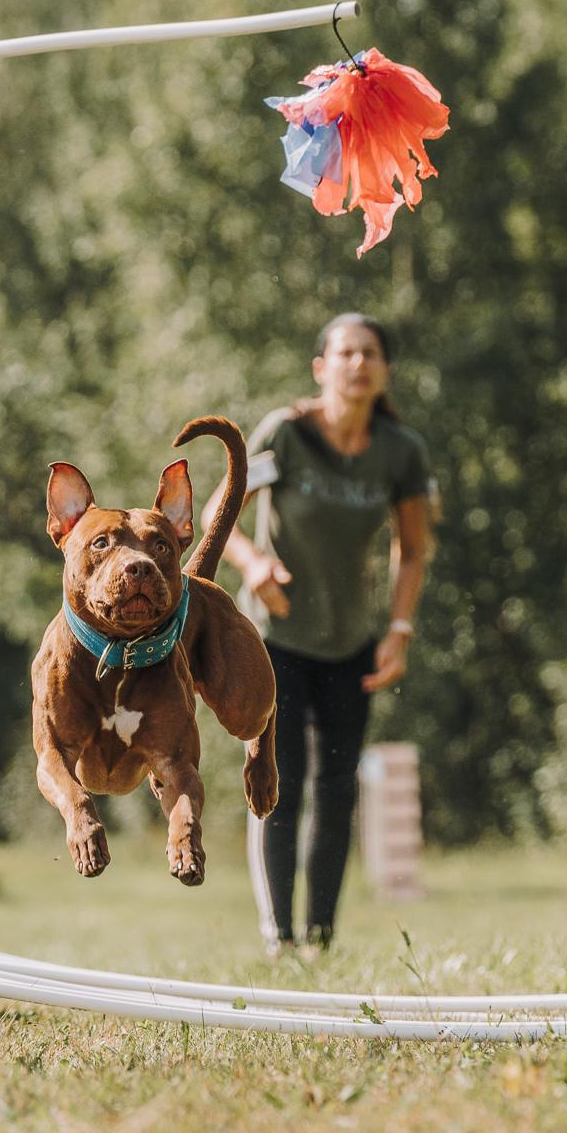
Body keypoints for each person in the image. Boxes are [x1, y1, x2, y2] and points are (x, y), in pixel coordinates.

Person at [207, 313, 434, 957]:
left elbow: (412, 550)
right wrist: (254, 565)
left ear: (385, 370)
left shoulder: (400, 451)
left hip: (352, 642)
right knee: (282, 776)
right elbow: (222, 515)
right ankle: (278, 936)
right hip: (275, 638)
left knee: (337, 789)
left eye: (369, 354)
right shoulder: (288, 434)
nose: (357, 363)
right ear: (321, 367)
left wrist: (399, 630)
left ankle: (321, 939)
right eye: (345, 353)